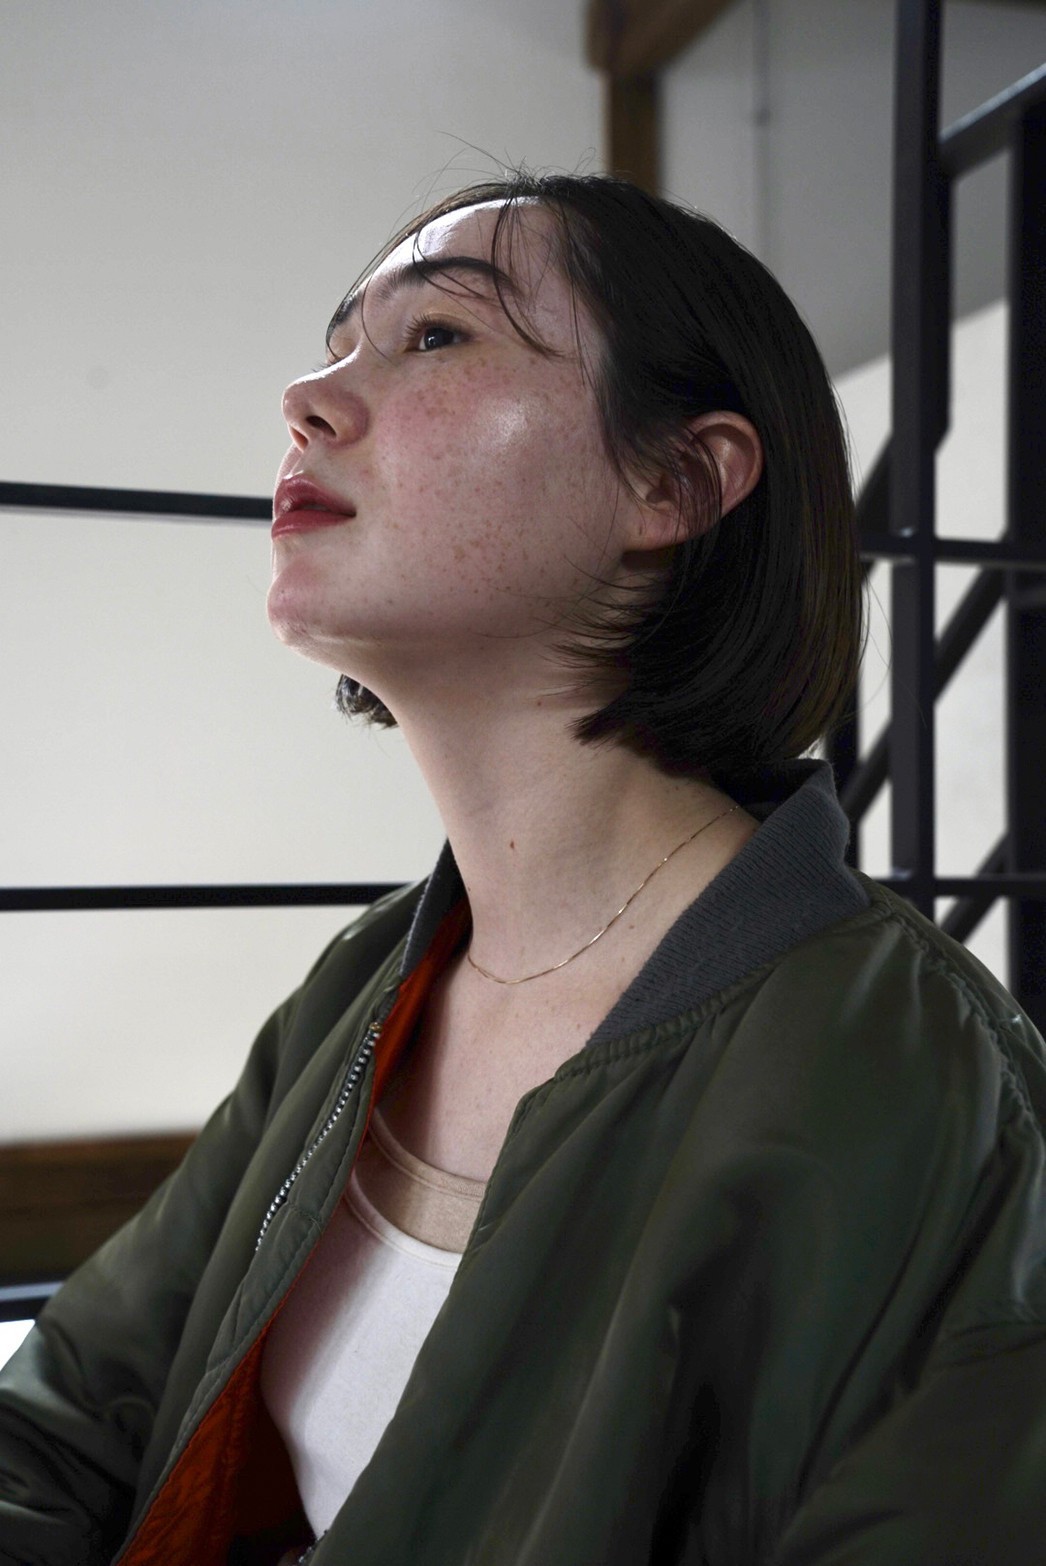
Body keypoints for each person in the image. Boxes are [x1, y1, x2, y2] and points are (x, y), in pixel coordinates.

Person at [1, 171, 1045, 1566]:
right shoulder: (370, 984)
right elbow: (69, 1420)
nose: (307, 396)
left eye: (437, 334)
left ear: (676, 480)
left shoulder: (922, 1082)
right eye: (337, 342)